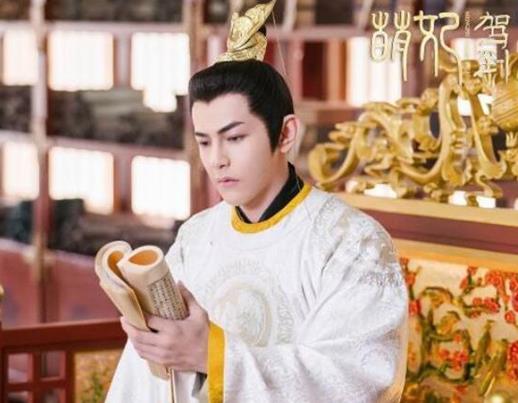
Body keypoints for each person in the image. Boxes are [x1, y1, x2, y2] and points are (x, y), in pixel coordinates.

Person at [105, 1, 408, 402]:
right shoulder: (197, 236)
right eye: (204, 142)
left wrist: (211, 355)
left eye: (234, 138)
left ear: (285, 134)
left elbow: (355, 379)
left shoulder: (350, 242)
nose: (217, 159)